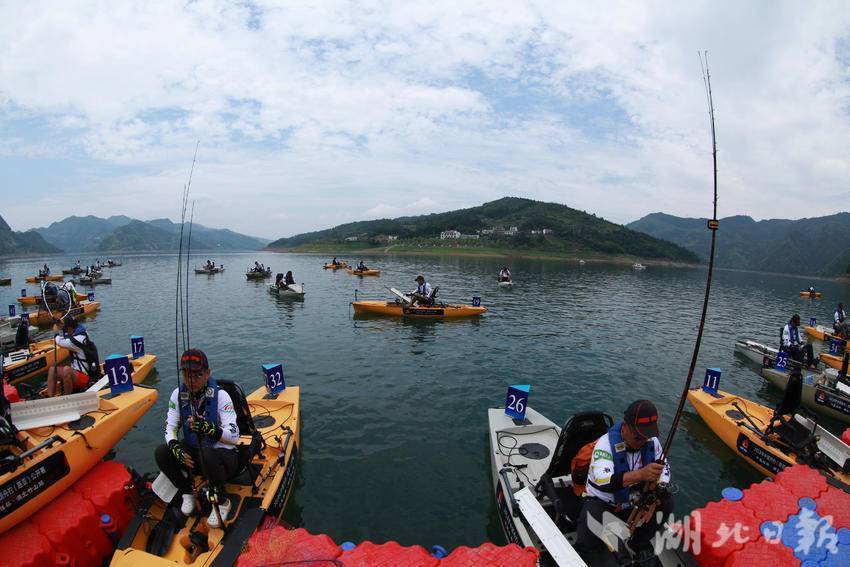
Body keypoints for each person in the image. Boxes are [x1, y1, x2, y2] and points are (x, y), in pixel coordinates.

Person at [576, 400, 672, 565]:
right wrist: (641, 474)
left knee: (667, 503)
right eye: (638, 436)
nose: (643, 441)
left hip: (634, 502)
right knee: (590, 530)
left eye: (647, 436)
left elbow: (665, 469)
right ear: (625, 427)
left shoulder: (651, 442)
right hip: (604, 504)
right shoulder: (605, 445)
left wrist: (654, 498)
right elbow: (603, 480)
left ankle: (638, 542)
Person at [154, 348, 239, 528]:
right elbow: (170, 426)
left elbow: (234, 436)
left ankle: (222, 501)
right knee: (162, 452)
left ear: (207, 373)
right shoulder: (177, 395)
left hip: (223, 458)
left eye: (197, 375)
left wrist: (209, 428)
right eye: (186, 374)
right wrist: (175, 447)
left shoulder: (222, 396)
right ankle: (187, 492)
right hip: (196, 455)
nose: (191, 380)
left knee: (206, 454)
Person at [47, 316, 100, 396]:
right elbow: (68, 333)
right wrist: (60, 322)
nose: (65, 331)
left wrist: (56, 333)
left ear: (69, 328)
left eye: (65, 329)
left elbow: (59, 342)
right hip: (76, 374)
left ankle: (66, 398)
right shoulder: (80, 331)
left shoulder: (77, 340)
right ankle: (50, 397)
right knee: (52, 370)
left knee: (67, 370)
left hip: (86, 378)